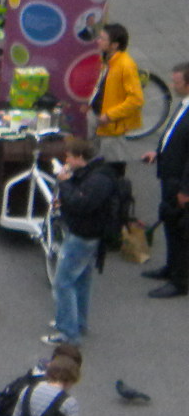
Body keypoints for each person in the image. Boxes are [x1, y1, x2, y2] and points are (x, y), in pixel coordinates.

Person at [49, 137, 117, 344]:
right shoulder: (96, 174)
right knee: (81, 281)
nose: (66, 160)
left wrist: (64, 183)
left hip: (82, 235)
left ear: (79, 157)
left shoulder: (96, 181)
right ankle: (78, 322)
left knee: (63, 282)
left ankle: (68, 333)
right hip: (90, 235)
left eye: (69, 156)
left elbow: (80, 204)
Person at [143, 62, 189, 298]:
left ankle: (180, 281)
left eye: (177, 82)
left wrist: (185, 190)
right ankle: (171, 267)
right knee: (170, 223)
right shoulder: (184, 104)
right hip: (170, 176)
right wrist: (159, 153)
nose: (173, 85)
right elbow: (174, 136)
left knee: (180, 231)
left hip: (180, 183)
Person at [90, 23, 145, 166]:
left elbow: (136, 100)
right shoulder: (107, 59)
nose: (98, 41)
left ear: (114, 45)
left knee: (112, 164)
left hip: (111, 125)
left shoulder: (126, 65)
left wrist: (109, 116)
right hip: (99, 118)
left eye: (102, 39)